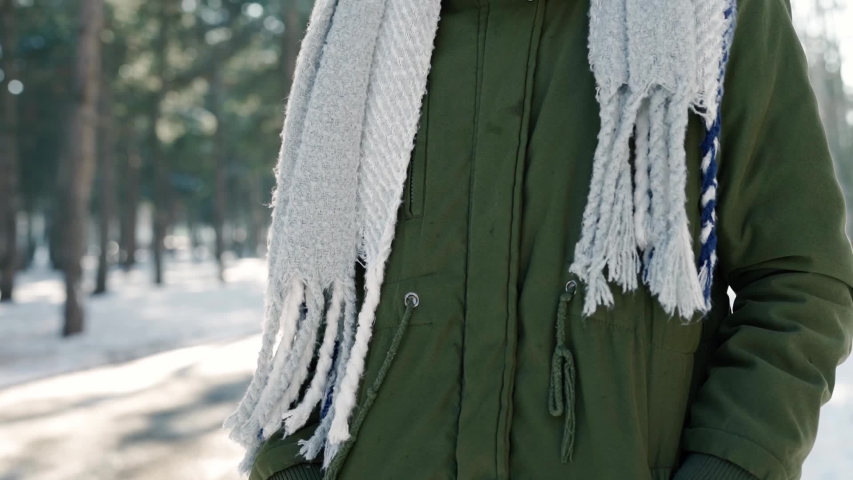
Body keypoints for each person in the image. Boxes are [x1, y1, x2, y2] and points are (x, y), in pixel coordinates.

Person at [225, 0, 853, 479]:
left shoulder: (713, 14)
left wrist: (732, 464)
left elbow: (800, 283)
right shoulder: (363, 23)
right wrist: (286, 465)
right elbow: (315, 301)